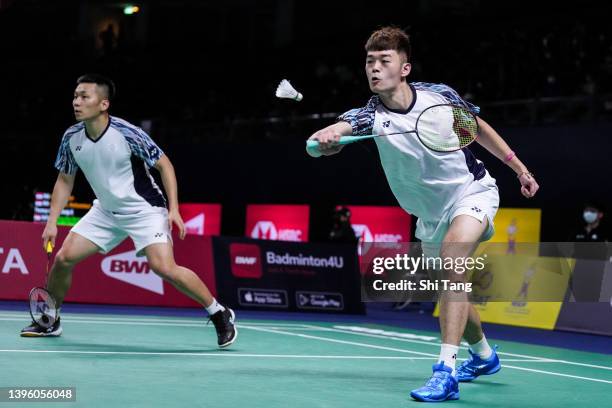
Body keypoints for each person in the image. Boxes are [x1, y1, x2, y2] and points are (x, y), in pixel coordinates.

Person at [306, 27, 539, 402]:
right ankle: (483, 356)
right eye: (370, 62)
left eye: (385, 61)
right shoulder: (369, 117)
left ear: (405, 67)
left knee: (452, 260)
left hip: (472, 192)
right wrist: (325, 139)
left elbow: (476, 130)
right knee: (449, 292)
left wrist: (520, 169)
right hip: (429, 216)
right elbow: (326, 140)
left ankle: (444, 373)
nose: (375, 69)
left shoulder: (439, 98)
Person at [20, 74, 237, 348]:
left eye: (84, 96)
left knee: (163, 267)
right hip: (106, 212)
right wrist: (52, 221)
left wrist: (174, 209)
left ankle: (219, 312)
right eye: (75, 96)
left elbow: (165, 165)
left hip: (144, 210)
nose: (76, 102)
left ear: (103, 103)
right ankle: (50, 320)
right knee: (64, 259)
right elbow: (65, 179)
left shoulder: (127, 133)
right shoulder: (71, 137)